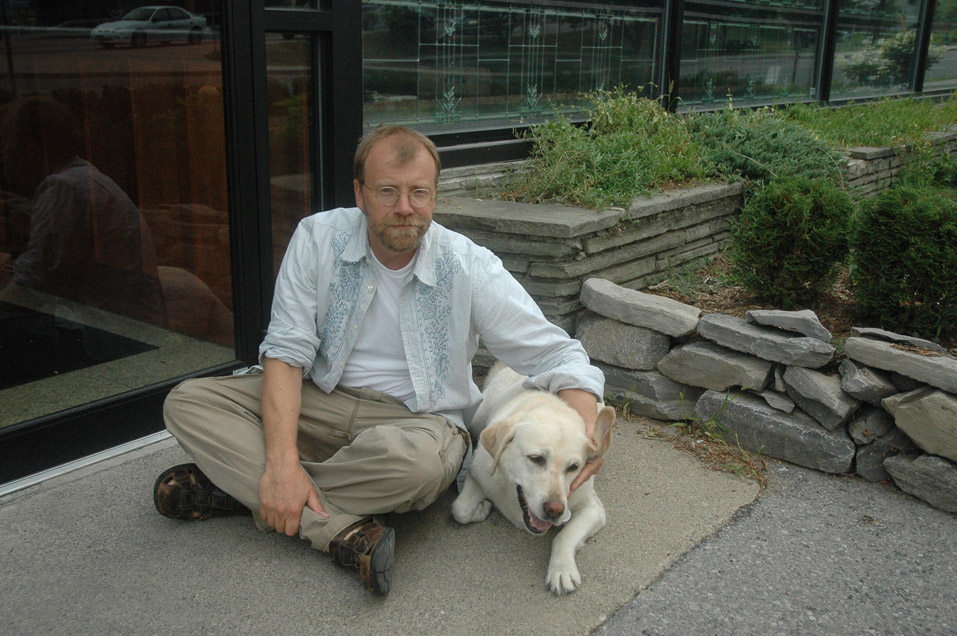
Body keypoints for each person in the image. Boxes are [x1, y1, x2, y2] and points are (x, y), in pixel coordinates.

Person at [154, 124, 606, 595]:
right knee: (187, 403)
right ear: (360, 193)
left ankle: (243, 487)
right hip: (319, 398)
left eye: (419, 193)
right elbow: (286, 354)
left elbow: (557, 353)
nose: (405, 207)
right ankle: (331, 527)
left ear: (434, 197)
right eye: (388, 191)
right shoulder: (316, 239)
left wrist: (584, 435)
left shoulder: (468, 266)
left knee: (421, 468)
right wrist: (283, 460)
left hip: (415, 423)